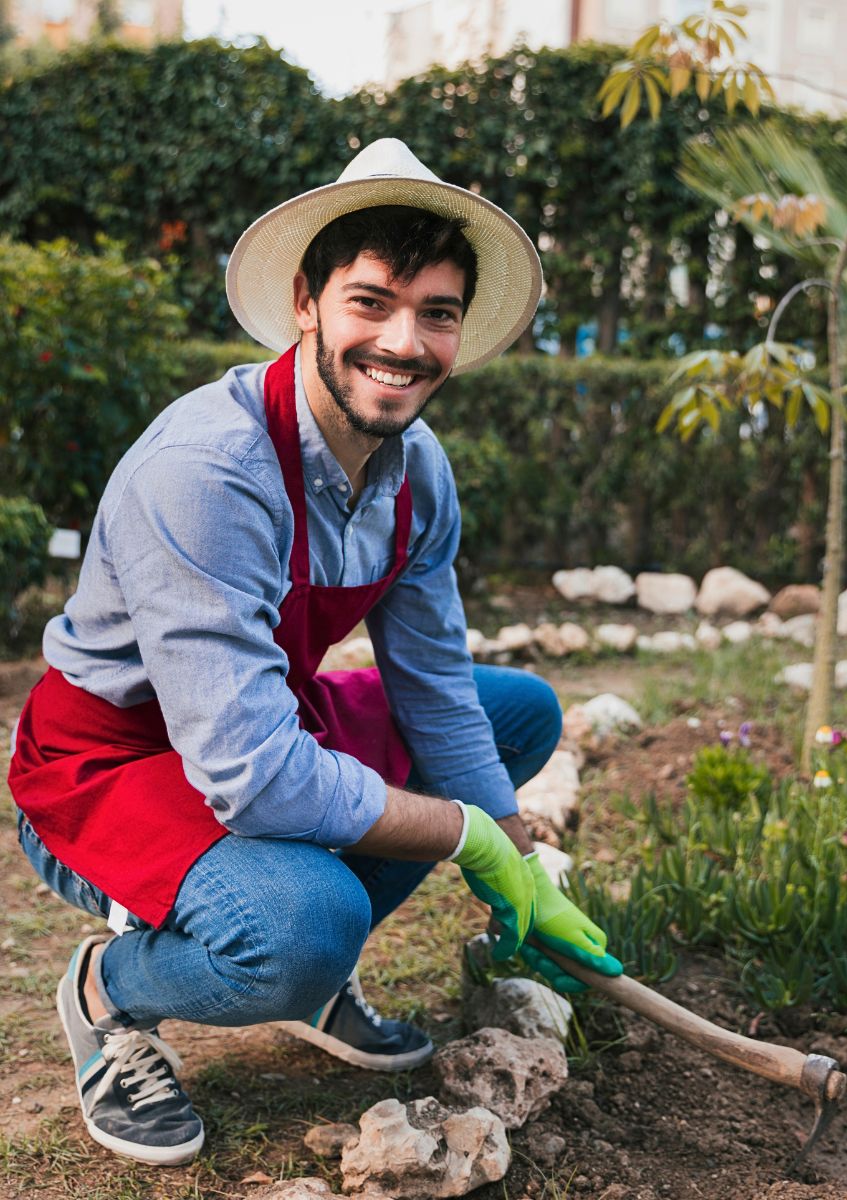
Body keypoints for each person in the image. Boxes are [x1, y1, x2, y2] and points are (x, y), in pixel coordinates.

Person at [8, 139, 622, 1168]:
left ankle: (315, 971)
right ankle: (111, 992)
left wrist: (517, 855)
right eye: (371, 301)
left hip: (257, 720)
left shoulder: (417, 471)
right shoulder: (207, 472)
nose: (404, 340)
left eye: (436, 311)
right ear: (307, 301)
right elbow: (250, 776)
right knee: (302, 922)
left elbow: (433, 689)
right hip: (104, 768)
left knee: (515, 713)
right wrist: (468, 835)